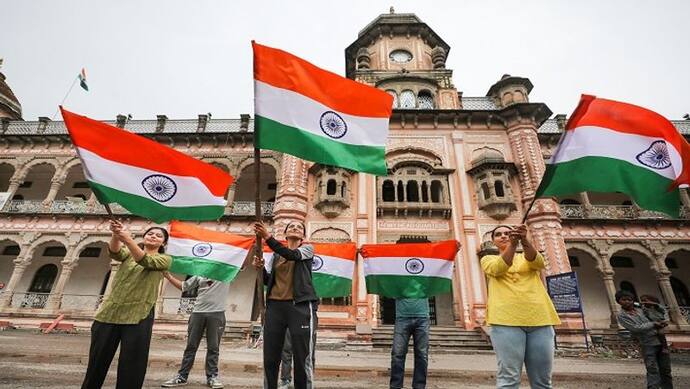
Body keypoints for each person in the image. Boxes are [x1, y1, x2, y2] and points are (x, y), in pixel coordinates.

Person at [81, 220, 171, 389]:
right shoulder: (128, 254)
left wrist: (128, 239)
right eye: (150, 233)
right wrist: (116, 234)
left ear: (163, 243)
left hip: (139, 315)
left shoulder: (164, 259)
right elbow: (114, 252)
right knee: (97, 361)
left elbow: (145, 261)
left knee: (132, 365)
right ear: (143, 237)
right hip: (110, 313)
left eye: (159, 236)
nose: (153, 236)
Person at [480, 224, 560, 389]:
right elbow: (499, 268)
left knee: (543, 381)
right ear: (493, 241)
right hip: (505, 321)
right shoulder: (488, 259)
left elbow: (537, 262)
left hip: (540, 319)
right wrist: (513, 244)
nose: (503, 236)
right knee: (508, 379)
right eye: (498, 234)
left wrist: (524, 240)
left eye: (508, 233)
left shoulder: (527, 256)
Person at [252, 220, 317, 389]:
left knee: (302, 356)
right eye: (292, 227)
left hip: (299, 307)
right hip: (275, 307)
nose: (296, 228)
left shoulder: (307, 250)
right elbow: (270, 282)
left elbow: (292, 255)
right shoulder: (276, 256)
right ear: (286, 234)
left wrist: (267, 237)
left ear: (303, 236)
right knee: (271, 357)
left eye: (299, 227)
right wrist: (260, 270)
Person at [161, 274, 230, 388]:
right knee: (191, 346)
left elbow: (243, 263)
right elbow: (184, 286)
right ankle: (182, 376)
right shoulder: (200, 273)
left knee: (213, 347)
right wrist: (168, 276)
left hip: (217, 313)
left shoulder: (226, 271)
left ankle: (212, 376)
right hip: (198, 312)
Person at [616, 290, 673, 389]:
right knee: (652, 369)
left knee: (666, 369)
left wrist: (655, 305)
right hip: (647, 343)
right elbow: (636, 328)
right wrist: (653, 324)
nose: (627, 302)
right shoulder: (622, 315)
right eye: (623, 299)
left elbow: (661, 313)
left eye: (629, 299)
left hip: (660, 341)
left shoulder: (641, 309)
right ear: (618, 301)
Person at [389, 298, 430, 389]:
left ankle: (419, 386)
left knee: (422, 355)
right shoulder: (398, 282)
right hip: (402, 317)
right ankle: (395, 386)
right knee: (397, 353)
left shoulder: (423, 283)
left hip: (422, 317)